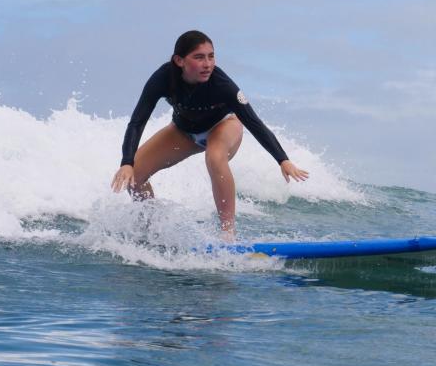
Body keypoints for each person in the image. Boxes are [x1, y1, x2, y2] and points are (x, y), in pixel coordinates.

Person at [111, 30, 308, 237]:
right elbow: (137, 121)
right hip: (183, 132)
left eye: (211, 56)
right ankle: (152, 230)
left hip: (224, 126)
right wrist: (126, 162)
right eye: (199, 57)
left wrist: (282, 160)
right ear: (179, 60)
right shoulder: (163, 78)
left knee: (215, 156)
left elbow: (253, 122)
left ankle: (227, 234)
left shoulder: (222, 85)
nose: (207, 64)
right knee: (135, 174)